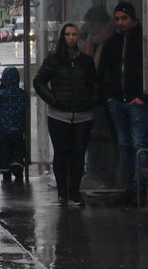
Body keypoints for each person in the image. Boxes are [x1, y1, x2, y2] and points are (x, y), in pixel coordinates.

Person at [98, 1, 148, 205]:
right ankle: (129, 187)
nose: (120, 23)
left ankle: (139, 188)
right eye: (117, 19)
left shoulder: (145, 41)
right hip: (117, 101)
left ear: (133, 18)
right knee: (125, 145)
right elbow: (103, 70)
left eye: (124, 19)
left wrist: (145, 97)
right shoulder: (112, 42)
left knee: (138, 145)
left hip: (137, 103)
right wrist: (109, 95)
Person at [33, 23, 100, 207]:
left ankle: (75, 193)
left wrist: (91, 100)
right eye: (68, 34)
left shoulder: (86, 61)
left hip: (83, 115)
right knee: (61, 154)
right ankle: (63, 193)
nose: (71, 38)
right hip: (58, 115)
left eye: (74, 34)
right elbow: (39, 81)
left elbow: (95, 84)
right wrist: (53, 99)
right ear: (63, 37)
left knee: (78, 154)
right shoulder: (54, 59)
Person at [0, 66, 27, 183]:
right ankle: (17, 163)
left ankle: (5, 169)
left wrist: (1, 86)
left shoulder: (2, 94)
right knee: (18, 146)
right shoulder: (22, 94)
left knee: (5, 148)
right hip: (18, 127)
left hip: (4, 127)